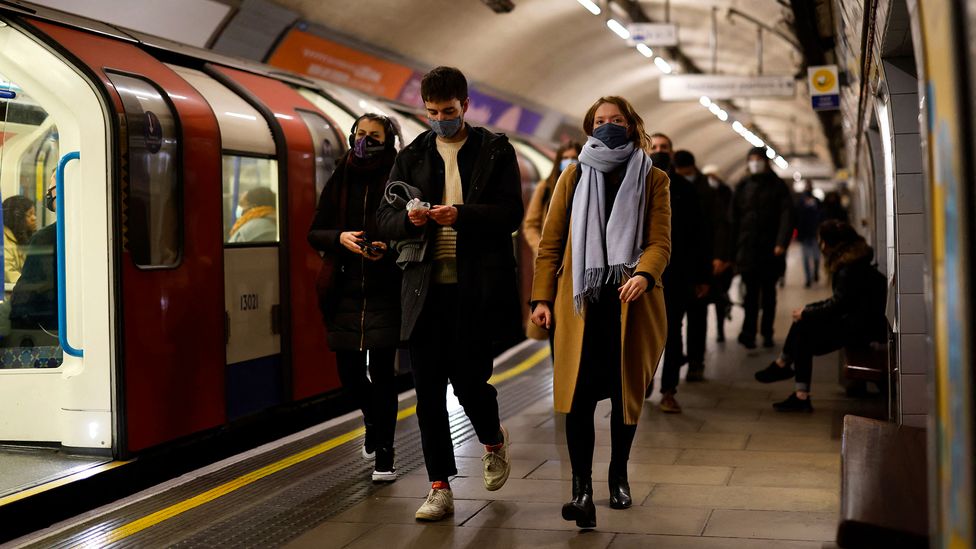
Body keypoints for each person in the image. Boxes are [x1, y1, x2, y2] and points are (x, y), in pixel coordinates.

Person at [376, 66, 521, 522]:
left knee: (472, 386)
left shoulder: (495, 150)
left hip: (474, 288)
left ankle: (492, 441)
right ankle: (439, 486)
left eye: (449, 111)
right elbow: (385, 216)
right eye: (433, 112)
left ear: (466, 106)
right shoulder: (414, 154)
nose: (441, 119)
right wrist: (408, 221)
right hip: (423, 290)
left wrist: (457, 214)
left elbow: (509, 214)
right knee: (428, 395)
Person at [530, 96, 671, 528]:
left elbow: (660, 242)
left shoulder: (653, 178)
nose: (608, 126)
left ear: (631, 125)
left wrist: (644, 275)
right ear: (590, 127)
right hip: (580, 306)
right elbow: (550, 244)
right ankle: (581, 489)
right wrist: (540, 299)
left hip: (629, 304)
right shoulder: (572, 176)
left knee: (625, 396)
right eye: (600, 120)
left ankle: (618, 476)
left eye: (616, 120)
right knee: (577, 400)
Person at [308, 113, 401, 483]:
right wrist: (340, 238)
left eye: (374, 136)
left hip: (385, 288)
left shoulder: (399, 177)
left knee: (382, 373)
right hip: (344, 288)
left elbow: (412, 226)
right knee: (348, 374)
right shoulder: (340, 176)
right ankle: (371, 419)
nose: (365, 141)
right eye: (361, 134)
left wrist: (388, 247)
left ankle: (385, 455)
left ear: (388, 140)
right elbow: (316, 232)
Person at [753, 220, 887, 411]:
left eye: (822, 241)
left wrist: (807, 312)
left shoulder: (849, 268)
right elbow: (842, 301)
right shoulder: (855, 262)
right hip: (863, 322)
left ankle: (790, 377)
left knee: (803, 331)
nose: (821, 246)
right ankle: (792, 381)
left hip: (863, 328)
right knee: (803, 325)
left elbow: (840, 304)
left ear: (830, 243)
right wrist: (807, 310)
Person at [656, 150, 709, 412]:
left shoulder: (685, 191)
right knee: (646, 335)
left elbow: (699, 234)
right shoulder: (632, 183)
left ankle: (668, 389)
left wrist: (702, 276)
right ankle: (644, 385)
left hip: (676, 274)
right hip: (640, 275)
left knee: (673, 334)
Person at [674, 151, 730, 382]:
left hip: (700, 260)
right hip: (675, 263)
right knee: (673, 321)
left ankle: (696, 362)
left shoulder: (707, 192)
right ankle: (676, 360)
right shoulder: (663, 184)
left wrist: (720, 255)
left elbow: (719, 225)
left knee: (697, 315)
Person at [731, 147, 793, 349]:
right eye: (751, 159)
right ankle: (748, 333)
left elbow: (787, 215)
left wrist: (781, 242)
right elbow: (733, 217)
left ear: (766, 162)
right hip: (748, 249)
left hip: (770, 250)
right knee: (750, 295)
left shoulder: (777, 185)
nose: (755, 162)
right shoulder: (743, 185)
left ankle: (767, 332)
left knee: (768, 295)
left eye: (758, 159)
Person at [522, 141, 581, 341]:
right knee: (551, 319)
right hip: (550, 264)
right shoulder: (546, 187)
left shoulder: (587, 186)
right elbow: (530, 224)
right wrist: (542, 249)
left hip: (575, 263)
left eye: (573, 157)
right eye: (565, 158)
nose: (569, 162)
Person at [10, 181, 58, 334]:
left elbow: (23, 299)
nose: (34, 218)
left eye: (52, 189)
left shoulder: (44, 238)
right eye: (29, 214)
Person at [700, 165, 735, 342]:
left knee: (720, 294)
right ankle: (704, 335)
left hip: (721, 256)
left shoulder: (727, 196)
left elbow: (730, 229)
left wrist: (726, 258)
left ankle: (720, 328)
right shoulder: (699, 195)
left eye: (713, 176)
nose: (710, 180)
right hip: (705, 255)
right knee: (704, 298)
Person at [3, 195, 37, 284]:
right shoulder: (4, 240)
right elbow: (8, 273)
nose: (34, 218)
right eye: (29, 214)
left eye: (34, 214)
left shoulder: (22, 238)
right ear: (16, 218)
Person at [795, 182, 822, 288]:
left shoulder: (816, 201)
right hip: (806, 234)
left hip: (814, 233)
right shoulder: (801, 202)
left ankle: (815, 272)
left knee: (816, 256)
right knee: (806, 258)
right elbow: (797, 218)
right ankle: (808, 279)